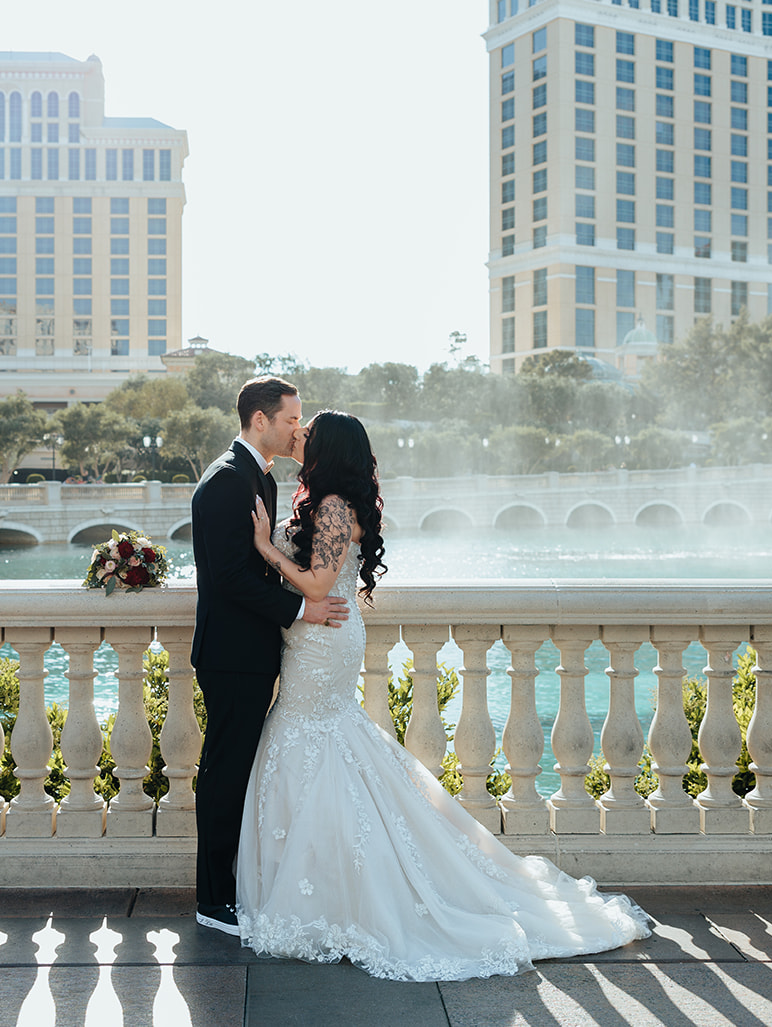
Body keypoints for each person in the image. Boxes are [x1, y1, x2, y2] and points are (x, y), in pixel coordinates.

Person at [237, 410, 652, 981]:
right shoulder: (330, 501)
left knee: (315, 737)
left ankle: (339, 894)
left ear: (327, 449)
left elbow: (317, 584)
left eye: (308, 434)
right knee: (323, 741)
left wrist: (264, 546)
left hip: (322, 639)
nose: (298, 436)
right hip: (319, 639)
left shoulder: (332, 505)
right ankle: (331, 883)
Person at [189, 377, 349, 937]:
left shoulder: (258, 478)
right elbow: (231, 579)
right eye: (289, 419)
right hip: (232, 655)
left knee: (235, 772)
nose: (296, 430)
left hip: (254, 652)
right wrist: (300, 611)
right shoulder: (228, 482)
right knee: (224, 775)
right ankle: (213, 901)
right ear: (260, 420)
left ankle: (231, 886)